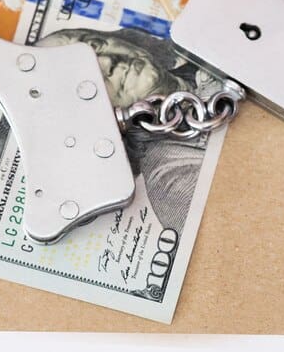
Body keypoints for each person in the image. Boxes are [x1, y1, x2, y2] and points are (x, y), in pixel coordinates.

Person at [38, 27, 221, 232]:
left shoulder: (205, 55)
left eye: (93, 46)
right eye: (84, 81)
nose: (108, 62)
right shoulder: (171, 179)